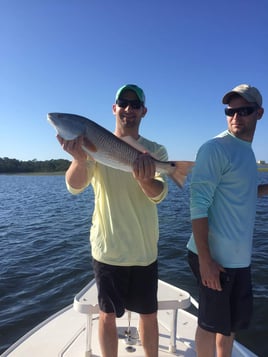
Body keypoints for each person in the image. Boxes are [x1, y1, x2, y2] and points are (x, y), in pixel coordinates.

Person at [57, 84, 169, 357]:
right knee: (106, 315)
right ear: (114, 108)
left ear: (144, 111)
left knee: (149, 315)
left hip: (144, 251)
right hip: (108, 250)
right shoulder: (94, 146)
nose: (128, 109)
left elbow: (159, 194)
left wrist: (144, 180)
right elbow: (75, 185)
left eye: (135, 105)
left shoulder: (156, 151)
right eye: (123, 103)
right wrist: (79, 159)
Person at [186, 84, 268, 357]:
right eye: (230, 111)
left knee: (231, 326)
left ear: (259, 114)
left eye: (244, 110)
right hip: (213, 259)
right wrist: (206, 261)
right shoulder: (215, 148)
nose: (236, 116)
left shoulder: (247, 152)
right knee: (210, 325)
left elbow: (240, 194)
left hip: (240, 259)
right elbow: (198, 206)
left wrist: (265, 189)